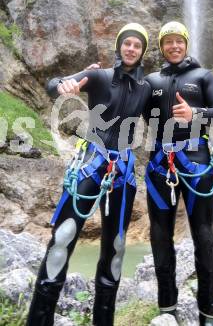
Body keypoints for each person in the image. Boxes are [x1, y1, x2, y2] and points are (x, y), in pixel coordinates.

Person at [26, 23, 151, 326]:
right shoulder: (98, 76)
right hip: (91, 163)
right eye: (127, 43)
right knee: (63, 238)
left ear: (143, 51)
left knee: (117, 249)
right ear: (119, 47)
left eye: (137, 45)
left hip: (122, 170)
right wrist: (63, 86)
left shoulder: (148, 89)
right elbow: (53, 83)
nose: (131, 48)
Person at [144, 21, 213, 326]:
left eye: (178, 41)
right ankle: (167, 307)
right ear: (162, 47)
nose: (174, 46)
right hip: (159, 165)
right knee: (159, 236)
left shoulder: (203, 76)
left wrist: (197, 114)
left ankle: (208, 313)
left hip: (197, 164)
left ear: (186, 43)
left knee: (204, 237)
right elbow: (125, 105)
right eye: (168, 42)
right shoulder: (150, 80)